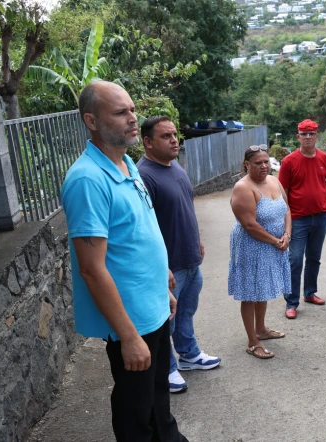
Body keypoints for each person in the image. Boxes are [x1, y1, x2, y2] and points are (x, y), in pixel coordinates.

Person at [61, 81, 188, 442]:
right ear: (91, 120)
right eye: (120, 112)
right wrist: (129, 337)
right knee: (135, 411)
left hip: (153, 309)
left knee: (157, 399)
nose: (133, 119)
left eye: (132, 109)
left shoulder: (127, 164)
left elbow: (137, 231)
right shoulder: (87, 179)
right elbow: (91, 268)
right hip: (131, 320)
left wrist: (161, 278)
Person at [137, 116, 220, 394]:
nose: (174, 140)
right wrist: (161, 267)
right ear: (147, 142)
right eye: (166, 136)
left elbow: (184, 207)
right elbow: (143, 228)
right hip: (169, 265)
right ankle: (167, 368)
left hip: (190, 259)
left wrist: (196, 240)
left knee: (186, 312)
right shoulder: (144, 176)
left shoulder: (175, 166)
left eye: (174, 135)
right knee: (165, 321)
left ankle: (188, 355)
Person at [228, 145, 291, 359]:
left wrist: (287, 235)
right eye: (258, 163)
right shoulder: (243, 188)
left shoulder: (274, 180)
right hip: (251, 246)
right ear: (247, 164)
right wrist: (275, 240)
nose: (264, 166)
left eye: (266, 162)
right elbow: (249, 225)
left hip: (273, 244)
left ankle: (261, 329)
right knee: (250, 293)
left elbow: (287, 209)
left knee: (261, 288)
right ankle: (252, 342)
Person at [278, 119, 326, 320]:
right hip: (298, 218)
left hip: (321, 216)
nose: (308, 137)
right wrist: (286, 215)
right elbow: (282, 190)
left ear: (317, 136)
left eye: (311, 134)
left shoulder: (325, 159)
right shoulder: (289, 161)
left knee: (314, 258)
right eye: (304, 134)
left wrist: (317, 194)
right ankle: (291, 302)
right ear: (298, 137)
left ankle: (310, 293)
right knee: (294, 259)